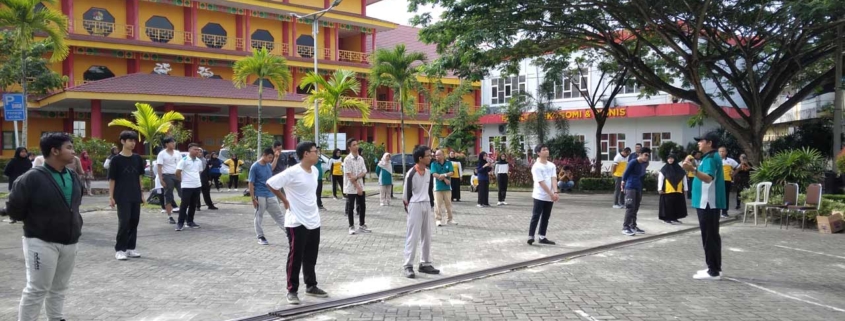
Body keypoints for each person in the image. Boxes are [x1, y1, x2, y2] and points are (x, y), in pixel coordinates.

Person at [8, 133, 83, 321]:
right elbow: (15, 209)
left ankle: (56, 318)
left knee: (59, 288)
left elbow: (74, 205)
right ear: (54, 151)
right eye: (69, 148)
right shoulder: (31, 178)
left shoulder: (72, 176)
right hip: (40, 241)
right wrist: (39, 221)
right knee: (37, 289)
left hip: (69, 240)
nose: (73, 152)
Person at [266, 141, 329, 305]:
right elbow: (271, 183)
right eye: (315, 151)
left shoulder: (314, 171)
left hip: (313, 220)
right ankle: (292, 290)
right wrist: (285, 200)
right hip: (296, 221)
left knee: (310, 256)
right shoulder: (292, 172)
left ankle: (311, 285)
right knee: (295, 257)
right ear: (306, 154)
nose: (317, 154)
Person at [682, 131, 725, 280]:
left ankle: (713, 271)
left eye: (701, 141)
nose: (698, 143)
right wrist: (692, 166)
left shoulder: (711, 158)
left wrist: (692, 170)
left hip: (708, 203)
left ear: (709, 143)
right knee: (711, 236)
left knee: (709, 236)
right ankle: (714, 268)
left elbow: (708, 179)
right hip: (707, 203)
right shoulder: (709, 157)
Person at [402, 145, 440, 278]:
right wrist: (410, 209)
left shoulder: (429, 173)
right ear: (420, 158)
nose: (431, 157)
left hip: (426, 204)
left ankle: (425, 263)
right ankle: (408, 265)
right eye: (428, 155)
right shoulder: (411, 174)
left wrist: (430, 204)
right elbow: (406, 195)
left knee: (427, 235)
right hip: (414, 205)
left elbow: (429, 190)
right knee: (412, 235)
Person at [108, 131, 146, 260]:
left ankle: (130, 248)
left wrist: (142, 194)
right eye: (130, 140)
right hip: (122, 195)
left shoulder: (137, 158)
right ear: (123, 141)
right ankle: (120, 249)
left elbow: (139, 177)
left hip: (135, 194)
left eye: (134, 141)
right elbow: (112, 179)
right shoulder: (116, 160)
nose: (133, 143)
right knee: (124, 222)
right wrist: (111, 197)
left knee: (134, 222)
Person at [249, 148, 285, 245]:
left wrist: (276, 158)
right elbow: (251, 183)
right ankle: (260, 236)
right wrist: (253, 198)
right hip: (259, 195)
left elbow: (272, 167)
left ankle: (289, 233)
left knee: (279, 215)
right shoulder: (255, 166)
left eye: (271, 158)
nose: (270, 159)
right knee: (259, 216)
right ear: (264, 155)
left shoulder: (268, 165)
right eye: (269, 157)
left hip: (270, 194)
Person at [528, 144, 558, 245]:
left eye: (547, 149)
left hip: (550, 196)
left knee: (546, 216)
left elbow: (554, 178)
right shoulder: (536, 167)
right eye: (544, 150)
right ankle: (531, 236)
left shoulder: (552, 165)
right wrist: (551, 194)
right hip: (539, 195)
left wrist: (555, 192)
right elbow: (541, 182)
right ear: (538, 153)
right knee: (536, 216)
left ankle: (542, 236)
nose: (546, 151)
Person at [621, 147, 652, 236]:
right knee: (630, 207)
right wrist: (622, 183)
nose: (647, 157)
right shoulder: (633, 162)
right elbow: (625, 173)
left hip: (638, 187)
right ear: (640, 154)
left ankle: (633, 226)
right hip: (630, 187)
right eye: (645, 155)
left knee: (636, 207)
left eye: (648, 156)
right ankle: (625, 227)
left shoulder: (644, 163)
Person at [175, 143, 203, 231]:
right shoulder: (184, 160)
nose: (197, 151)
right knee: (184, 205)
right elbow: (177, 172)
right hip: (187, 186)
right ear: (190, 150)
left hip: (197, 185)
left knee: (193, 205)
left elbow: (199, 172)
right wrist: (182, 180)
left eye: (198, 149)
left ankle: (190, 221)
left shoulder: (199, 161)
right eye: (195, 149)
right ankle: (180, 223)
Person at [344, 138, 369, 235]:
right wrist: (357, 186)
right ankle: (351, 226)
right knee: (351, 207)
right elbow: (349, 175)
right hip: (351, 187)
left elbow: (364, 171)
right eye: (353, 145)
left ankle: (362, 224)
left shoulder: (361, 158)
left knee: (362, 205)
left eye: (356, 144)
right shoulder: (347, 159)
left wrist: (357, 177)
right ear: (349, 147)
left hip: (360, 185)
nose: (356, 146)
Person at [157, 137, 182, 224]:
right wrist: (161, 179)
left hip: (177, 175)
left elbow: (181, 165)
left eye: (174, 142)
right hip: (167, 176)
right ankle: (169, 216)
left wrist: (182, 175)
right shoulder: (162, 154)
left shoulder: (177, 153)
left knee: (183, 194)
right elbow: (159, 167)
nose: (173, 144)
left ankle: (184, 214)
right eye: (171, 142)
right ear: (166, 144)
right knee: (169, 195)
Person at [658, 154, 688, 224]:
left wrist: (685, 189)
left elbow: (684, 179)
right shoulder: (664, 169)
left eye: (672, 158)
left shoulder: (679, 169)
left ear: (675, 159)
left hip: (678, 190)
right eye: (669, 159)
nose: (670, 160)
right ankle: (667, 218)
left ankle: (674, 218)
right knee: (668, 205)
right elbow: (661, 179)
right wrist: (659, 188)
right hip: (667, 191)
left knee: (676, 205)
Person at [4, 147, 31, 223]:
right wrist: (14, 176)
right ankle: (13, 217)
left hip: (26, 183)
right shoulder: (13, 161)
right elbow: (6, 171)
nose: (24, 153)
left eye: (25, 152)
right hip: (14, 183)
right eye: (22, 152)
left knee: (27, 200)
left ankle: (25, 216)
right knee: (14, 200)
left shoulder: (28, 161)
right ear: (18, 152)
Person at [431, 150, 455, 226]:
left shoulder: (448, 163)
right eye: (435, 155)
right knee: (438, 204)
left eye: (438, 155)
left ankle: (450, 219)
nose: (436, 156)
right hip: (437, 188)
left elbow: (451, 172)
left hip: (447, 187)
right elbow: (434, 174)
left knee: (448, 204)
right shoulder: (433, 164)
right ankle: (438, 219)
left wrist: (444, 175)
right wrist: (444, 179)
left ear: (443, 155)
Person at [718, 147, 739, 218]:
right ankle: (717, 211)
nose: (721, 153)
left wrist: (733, 174)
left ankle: (724, 212)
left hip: (726, 180)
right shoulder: (715, 160)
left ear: (726, 152)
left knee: (725, 196)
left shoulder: (730, 160)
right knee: (717, 196)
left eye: (723, 151)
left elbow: (739, 167)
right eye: (720, 151)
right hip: (717, 181)